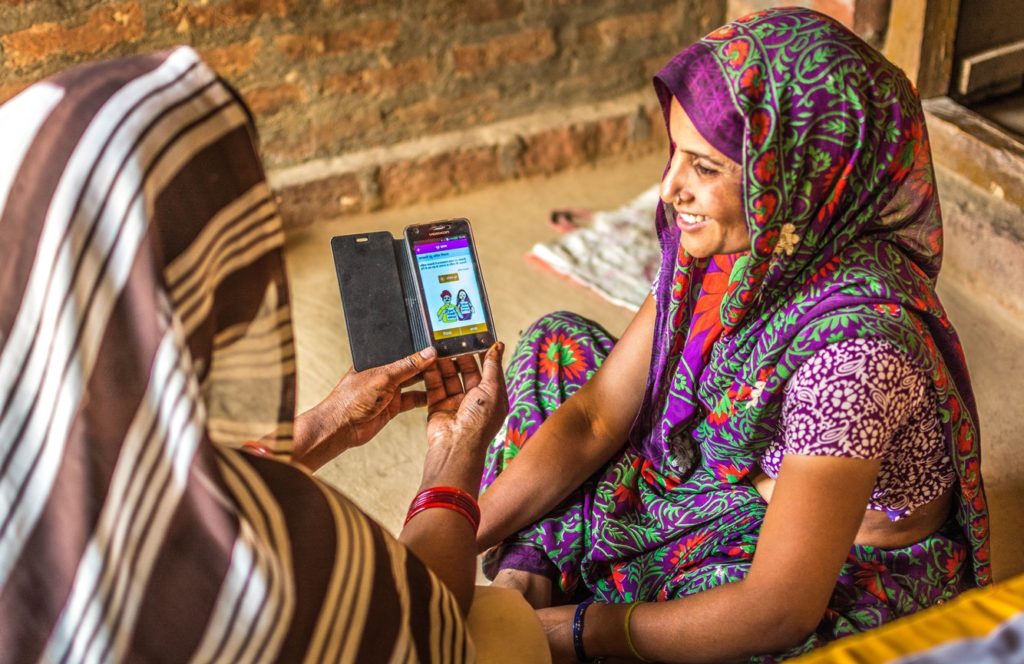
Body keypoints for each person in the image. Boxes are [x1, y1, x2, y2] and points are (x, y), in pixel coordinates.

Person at [476, 7, 990, 662]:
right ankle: (529, 574)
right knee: (558, 346)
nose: (669, 190)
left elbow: (776, 607)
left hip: (814, 566)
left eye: (705, 168)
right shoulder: (734, 254)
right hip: (723, 481)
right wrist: (456, 533)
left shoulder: (859, 353)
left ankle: (543, 597)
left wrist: (574, 633)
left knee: (723, 626)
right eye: (676, 155)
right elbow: (597, 420)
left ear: (797, 173)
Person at [0, 46, 515, 662]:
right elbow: (424, 605)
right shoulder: (272, 567)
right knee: (503, 625)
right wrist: (455, 453)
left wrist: (329, 424)